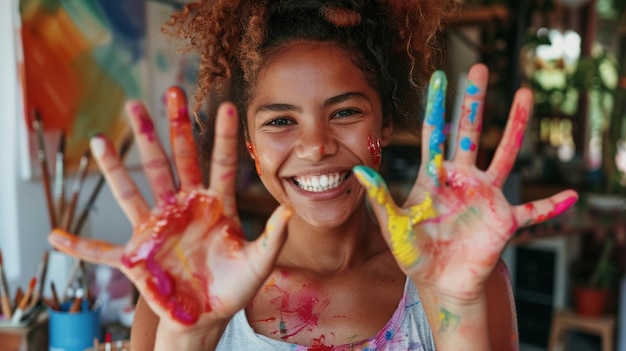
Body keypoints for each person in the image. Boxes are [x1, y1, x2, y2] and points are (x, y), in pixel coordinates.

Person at [48, 1, 579, 350]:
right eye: (281, 120)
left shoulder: (462, 281)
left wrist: (455, 306)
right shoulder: (182, 292)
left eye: (345, 112)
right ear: (251, 147)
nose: (316, 145)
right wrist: (194, 334)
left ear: (386, 122)